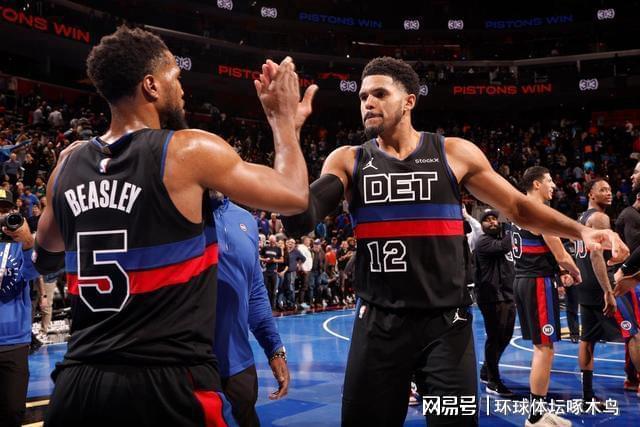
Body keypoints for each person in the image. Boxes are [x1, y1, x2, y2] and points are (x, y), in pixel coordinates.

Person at [281, 56, 627, 426]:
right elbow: (299, 218)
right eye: (364, 96)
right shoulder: (349, 160)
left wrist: (583, 231)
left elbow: (518, 207)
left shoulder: (453, 153)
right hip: (379, 325)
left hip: (447, 326)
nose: (368, 102)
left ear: (409, 101)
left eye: (380, 94)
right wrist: (286, 131)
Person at [34, 26, 316, 426]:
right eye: (176, 78)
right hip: (168, 383)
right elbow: (294, 194)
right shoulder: (186, 151)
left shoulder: (67, 164)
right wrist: (283, 121)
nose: (182, 89)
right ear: (151, 85)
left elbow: (45, 256)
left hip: (81, 382)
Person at [511, 167, 583, 426]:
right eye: (549, 180)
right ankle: (535, 416)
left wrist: (560, 271)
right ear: (536, 184)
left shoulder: (517, 209)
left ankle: (538, 411)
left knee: (541, 347)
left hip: (523, 280)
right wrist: (576, 273)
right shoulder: (539, 211)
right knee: (545, 348)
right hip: (537, 282)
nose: (554, 185)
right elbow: (561, 255)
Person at [212, 195, 289, 427]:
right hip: (186, 367)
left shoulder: (245, 219)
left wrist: (274, 349)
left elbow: (255, 290)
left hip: (238, 364)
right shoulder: (172, 212)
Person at [573, 178, 640, 407]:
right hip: (603, 287)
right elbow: (595, 256)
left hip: (585, 286)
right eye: (603, 190)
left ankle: (587, 396)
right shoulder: (600, 218)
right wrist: (608, 291)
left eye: (610, 189)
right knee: (633, 333)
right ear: (591, 195)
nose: (609, 193)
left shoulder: (580, 219)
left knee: (587, 340)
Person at [0, 189, 40, 427]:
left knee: (13, 413)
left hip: (14, 342)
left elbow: (34, 272)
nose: (2, 216)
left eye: (6, 211)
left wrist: (27, 241)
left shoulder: (22, 245)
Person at [473, 209, 515, 397]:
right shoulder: (484, 242)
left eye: (494, 219)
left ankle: (486, 370)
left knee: (505, 336)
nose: (492, 222)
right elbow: (504, 246)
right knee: (495, 337)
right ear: (482, 225)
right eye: (487, 220)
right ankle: (493, 380)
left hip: (506, 294)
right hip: (490, 296)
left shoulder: (501, 239)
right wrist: (513, 226)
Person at [615, 161, 640, 392]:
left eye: (636, 172)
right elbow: (631, 250)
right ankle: (634, 377)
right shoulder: (630, 215)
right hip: (634, 279)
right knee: (633, 332)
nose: (632, 176)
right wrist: (624, 268)